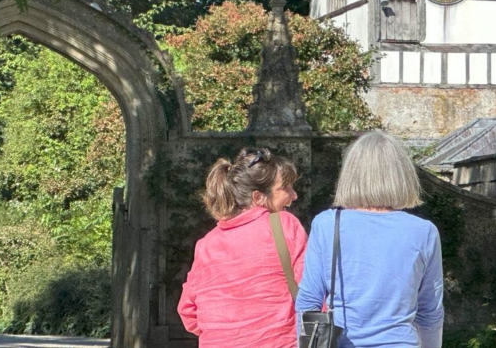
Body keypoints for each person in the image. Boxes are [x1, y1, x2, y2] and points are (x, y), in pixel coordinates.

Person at [296, 131, 444, 348]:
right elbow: (430, 312)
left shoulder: (327, 224)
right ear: (402, 175)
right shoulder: (424, 232)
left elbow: (309, 301)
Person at [178, 147, 306, 348]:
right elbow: (311, 290)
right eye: (285, 188)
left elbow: (188, 311)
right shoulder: (284, 225)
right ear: (258, 197)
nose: (294, 195)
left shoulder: (206, 244)